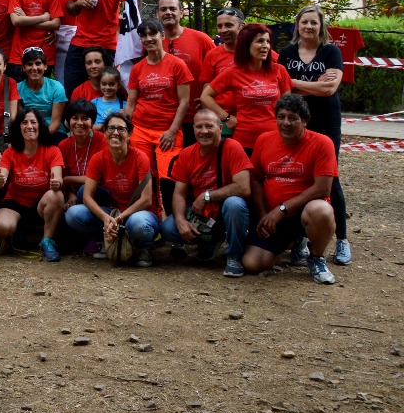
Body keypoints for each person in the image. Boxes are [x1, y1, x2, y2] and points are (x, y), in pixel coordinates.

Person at [279, 4, 350, 265]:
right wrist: (314, 84)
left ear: (321, 27)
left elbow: (329, 89)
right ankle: (300, 240)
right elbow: (281, 87)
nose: (308, 26)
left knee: (330, 177)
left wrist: (295, 83)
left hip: (326, 120)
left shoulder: (331, 51)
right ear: (297, 26)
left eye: (313, 22)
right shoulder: (286, 53)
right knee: (297, 176)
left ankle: (342, 239)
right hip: (294, 121)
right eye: (304, 22)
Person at [242, 94, 338, 284]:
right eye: (281, 117)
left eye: (293, 118)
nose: (286, 123)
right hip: (273, 215)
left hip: (303, 212)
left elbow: (323, 189)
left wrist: (282, 209)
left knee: (321, 210)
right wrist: (263, 213)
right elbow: (255, 179)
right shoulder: (264, 140)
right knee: (252, 264)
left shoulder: (322, 143)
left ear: (305, 121)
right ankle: (292, 243)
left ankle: (316, 257)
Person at [160, 108, 253, 277]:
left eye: (209, 126)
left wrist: (207, 196)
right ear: (193, 129)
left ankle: (234, 255)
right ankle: (208, 241)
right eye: (199, 127)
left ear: (220, 128)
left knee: (234, 204)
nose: (204, 131)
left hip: (224, 210)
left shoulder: (232, 147)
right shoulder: (187, 154)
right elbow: (179, 193)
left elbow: (243, 187)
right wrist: (181, 221)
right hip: (202, 214)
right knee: (168, 228)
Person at [64, 111, 159, 267]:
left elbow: (147, 199)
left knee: (138, 224)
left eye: (121, 129)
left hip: (141, 212)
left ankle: (144, 247)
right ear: (105, 132)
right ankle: (105, 238)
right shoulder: (98, 158)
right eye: (111, 128)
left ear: (129, 134)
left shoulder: (140, 157)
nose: (115, 133)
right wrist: (105, 218)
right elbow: (87, 196)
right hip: (114, 210)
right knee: (73, 214)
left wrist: (118, 219)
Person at [124, 20, 193, 214]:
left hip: (168, 130)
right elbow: (131, 103)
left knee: (169, 177)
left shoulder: (177, 64)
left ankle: (173, 219)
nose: (148, 39)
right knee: (145, 177)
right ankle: (151, 217)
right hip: (140, 128)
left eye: (152, 34)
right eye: (144, 35)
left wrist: (172, 131)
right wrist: (126, 130)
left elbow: (184, 102)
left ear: (162, 36)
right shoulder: (138, 68)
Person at [201, 23, 293, 154]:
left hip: (275, 137)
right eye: (260, 41)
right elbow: (205, 96)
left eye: (268, 42)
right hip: (244, 139)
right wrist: (226, 118)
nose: (265, 46)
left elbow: (288, 104)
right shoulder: (233, 72)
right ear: (246, 44)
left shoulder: (279, 70)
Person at [0, 108, 65, 261]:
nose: (29, 126)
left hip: (41, 203)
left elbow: (58, 178)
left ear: (40, 126)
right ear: (19, 128)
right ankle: (14, 235)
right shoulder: (10, 152)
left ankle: (47, 242)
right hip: (15, 201)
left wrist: (56, 183)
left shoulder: (52, 151)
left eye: (33, 122)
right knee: (2, 226)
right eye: (24, 123)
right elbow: (0, 180)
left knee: (56, 195)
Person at [158, 0, 215, 144]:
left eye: (172, 9)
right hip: (164, 118)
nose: (168, 12)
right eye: (163, 9)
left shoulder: (201, 39)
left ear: (181, 12)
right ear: (157, 14)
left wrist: (208, 97)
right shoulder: (153, 42)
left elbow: (218, 70)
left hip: (196, 117)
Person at [9, 0, 63, 80]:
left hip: (45, 55)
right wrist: (43, 17)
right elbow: (16, 21)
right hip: (19, 55)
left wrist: (26, 18)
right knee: (19, 92)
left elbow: (56, 24)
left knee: (43, 92)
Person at [59, 99, 104, 211]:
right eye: (75, 118)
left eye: (85, 118)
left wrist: (67, 179)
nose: (79, 123)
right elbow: (62, 179)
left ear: (92, 122)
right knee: (70, 213)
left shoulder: (102, 141)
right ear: (68, 122)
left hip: (100, 193)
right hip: (76, 195)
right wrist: (71, 194)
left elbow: (99, 179)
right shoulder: (63, 146)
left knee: (84, 189)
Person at [17, 47, 67, 139]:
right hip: (27, 133)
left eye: (38, 63)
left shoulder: (56, 87)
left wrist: (39, 139)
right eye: (29, 64)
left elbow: (55, 123)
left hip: (53, 133)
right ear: (23, 68)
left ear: (45, 66)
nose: (34, 68)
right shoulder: (17, 88)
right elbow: (21, 120)